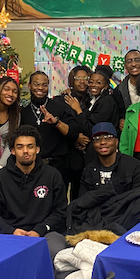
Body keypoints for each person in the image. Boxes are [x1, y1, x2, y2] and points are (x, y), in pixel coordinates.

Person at [0, 125, 68, 260]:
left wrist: (39, 230)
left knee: (57, 251)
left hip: (45, 233)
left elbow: (61, 212)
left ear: (37, 149)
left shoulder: (52, 175)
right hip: (8, 234)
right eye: (20, 147)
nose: (25, 151)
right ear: (13, 150)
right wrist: (11, 231)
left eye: (30, 146)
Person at [21, 71, 80, 191]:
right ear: (30, 85)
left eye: (44, 85)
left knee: (58, 204)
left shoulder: (60, 107)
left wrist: (56, 122)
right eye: (37, 84)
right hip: (32, 166)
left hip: (58, 167)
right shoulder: (23, 112)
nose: (40, 88)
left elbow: (73, 133)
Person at [78, 122, 140, 198]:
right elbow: (83, 201)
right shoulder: (88, 170)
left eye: (108, 138)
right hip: (98, 209)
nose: (102, 142)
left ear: (116, 142)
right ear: (93, 144)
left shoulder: (134, 166)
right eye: (97, 139)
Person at [65, 65, 121, 163]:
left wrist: (78, 110)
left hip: (104, 151)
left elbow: (91, 129)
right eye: (91, 82)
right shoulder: (94, 99)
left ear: (106, 86)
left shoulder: (106, 101)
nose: (93, 85)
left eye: (99, 82)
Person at [63, 65, 92, 201]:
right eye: (78, 78)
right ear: (71, 81)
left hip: (87, 155)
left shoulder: (94, 99)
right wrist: (75, 138)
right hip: (68, 153)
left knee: (80, 193)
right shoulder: (64, 98)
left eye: (85, 78)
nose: (82, 81)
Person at [113, 49, 140, 130]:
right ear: (125, 66)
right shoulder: (119, 91)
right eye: (129, 61)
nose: (133, 64)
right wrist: (120, 120)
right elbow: (116, 114)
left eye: (137, 60)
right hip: (130, 132)